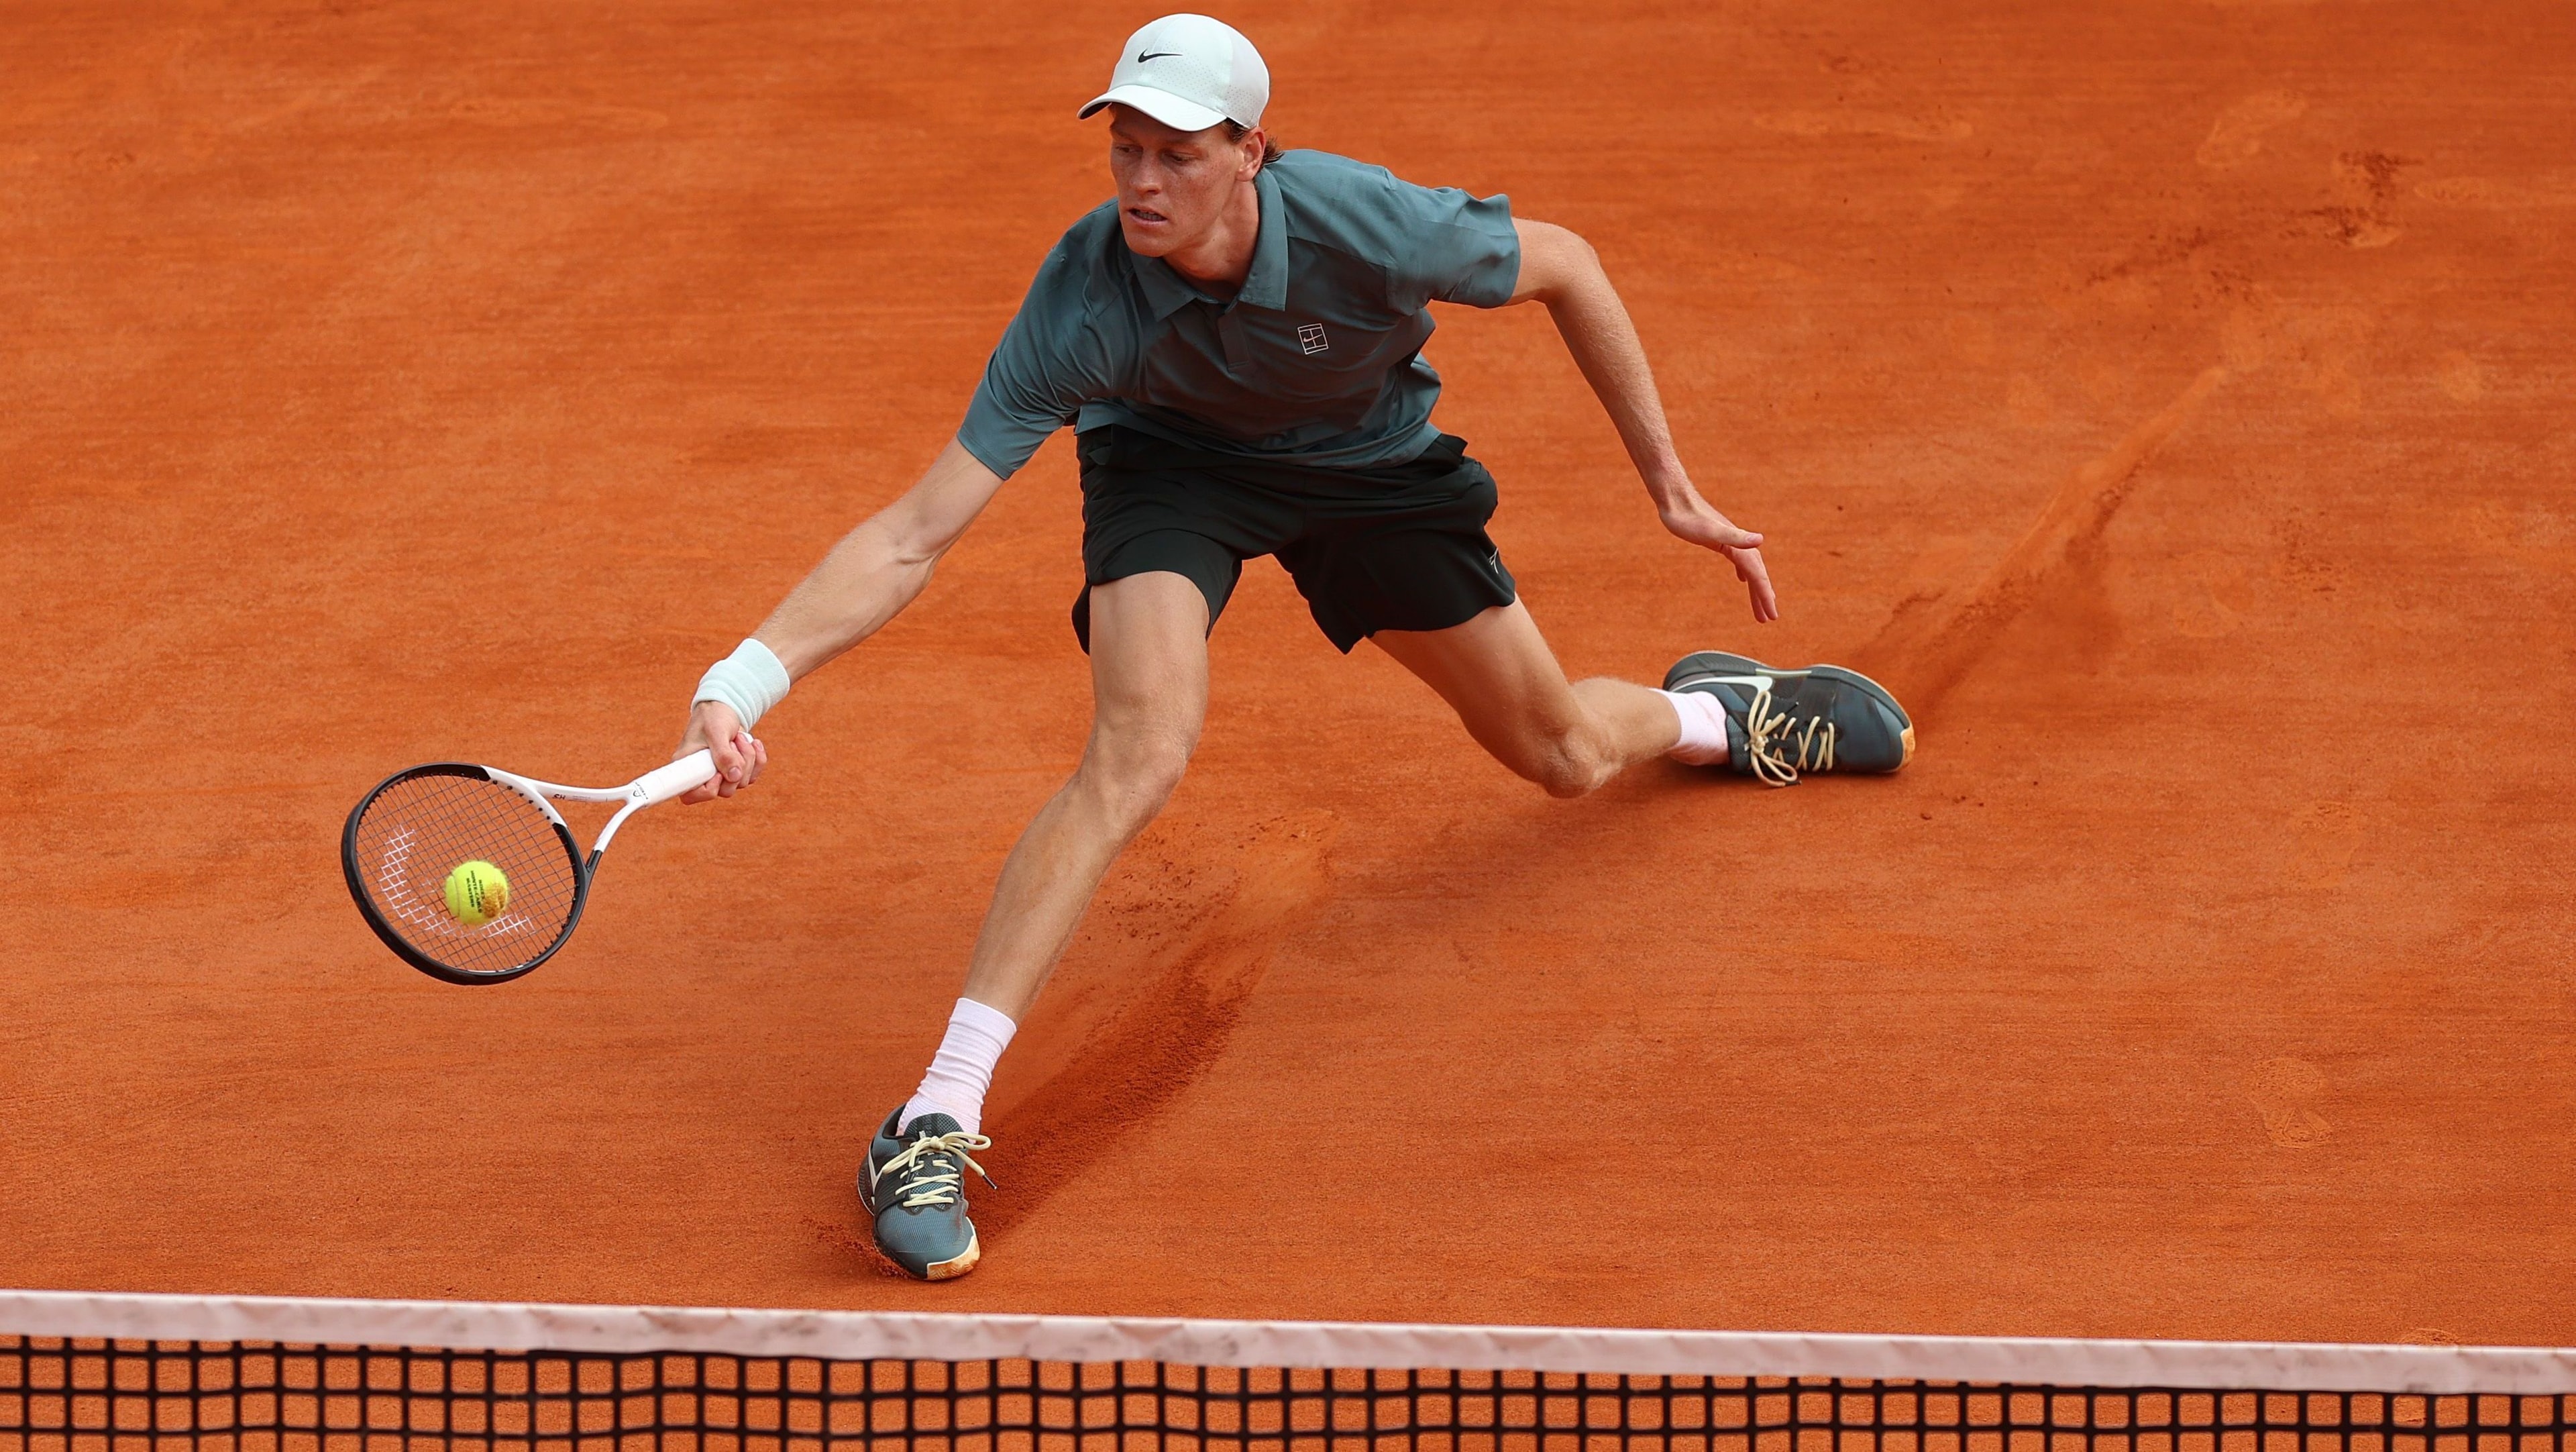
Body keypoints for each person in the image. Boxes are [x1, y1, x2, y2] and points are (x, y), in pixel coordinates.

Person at [674, 13, 1915, 1281]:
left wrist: (1670, 486)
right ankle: (935, 1115)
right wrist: (741, 680)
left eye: (1179, 155)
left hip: (1371, 470)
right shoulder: (1086, 295)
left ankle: (1720, 716)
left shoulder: (1365, 223)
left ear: (1251, 151)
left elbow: (1568, 265)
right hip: (1172, 469)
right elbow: (912, 534)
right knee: (1138, 754)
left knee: (1563, 755)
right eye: (1126, 150)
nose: (1143, 182)